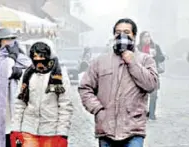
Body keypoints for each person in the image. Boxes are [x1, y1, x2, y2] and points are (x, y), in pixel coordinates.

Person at [78, 18, 158, 147]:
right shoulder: (100, 61)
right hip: (106, 130)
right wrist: (98, 109)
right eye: (118, 32)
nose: (122, 35)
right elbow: (85, 87)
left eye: (127, 32)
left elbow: (151, 85)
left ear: (134, 35)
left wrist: (133, 62)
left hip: (133, 130)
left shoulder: (145, 60)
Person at [11, 42, 73, 147]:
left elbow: (65, 106)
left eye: (42, 57)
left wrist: (62, 134)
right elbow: (19, 104)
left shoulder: (59, 76)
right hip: (28, 128)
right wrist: (15, 129)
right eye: (35, 57)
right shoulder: (27, 75)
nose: (39, 61)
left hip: (51, 131)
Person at [0, 28, 32, 147]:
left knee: (16, 129)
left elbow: (30, 69)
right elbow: (4, 72)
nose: (11, 41)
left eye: (13, 38)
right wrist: (12, 58)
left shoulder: (20, 55)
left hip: (16, 97)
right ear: (0, 41)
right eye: (8, 39)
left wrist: (20, 72)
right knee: (4, 129)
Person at [137, 31, 165, 120]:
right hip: (142, 73)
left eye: (148, 36)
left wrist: (156, 56)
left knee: (154, 94)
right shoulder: (137, 48)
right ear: (141, 39)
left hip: (153, 73)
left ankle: (152, 114)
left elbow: (162, 58)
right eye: (145, 37)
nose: (147, 38)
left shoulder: (155, 47)